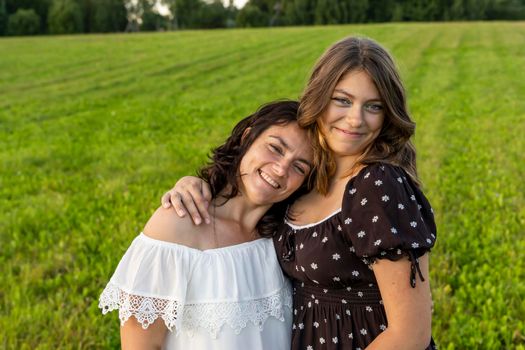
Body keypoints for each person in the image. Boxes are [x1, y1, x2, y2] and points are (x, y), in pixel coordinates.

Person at [163, 36, 437, 349]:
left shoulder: (377, 184)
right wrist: (195, 184)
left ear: (388, 114)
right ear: (319, 98)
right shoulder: (306, 177)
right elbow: (247, 197)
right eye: (342, 100)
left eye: (373, 106)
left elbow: (410, 335)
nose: (355, 119)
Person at [99, 100, 328, 349]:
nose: (281, 169)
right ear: (247, 138)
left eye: (299, 167)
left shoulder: (285, 239)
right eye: (275, 148)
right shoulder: (176, 227)